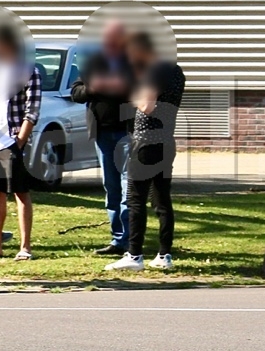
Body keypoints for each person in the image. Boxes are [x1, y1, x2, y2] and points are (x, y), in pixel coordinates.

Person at [107, 32, 185, 273]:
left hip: (145, 142)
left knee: (135, 199)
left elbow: (146, 105)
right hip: (166, 141)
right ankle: (164, 253)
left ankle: (134, 254)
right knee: (162, 200)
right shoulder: (176, 71)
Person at [0, 24, 41, 262]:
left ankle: (25, 247)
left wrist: (20, 141)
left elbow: (32, 110)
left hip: (12, 139)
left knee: (20, 192)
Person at [68, 19, 135, 255]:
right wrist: (94, 88)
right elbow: (76, 92)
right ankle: (118, 239)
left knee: (129, 186)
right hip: (102, 132)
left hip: (126, 131)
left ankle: (131, 240)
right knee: (112, 187)